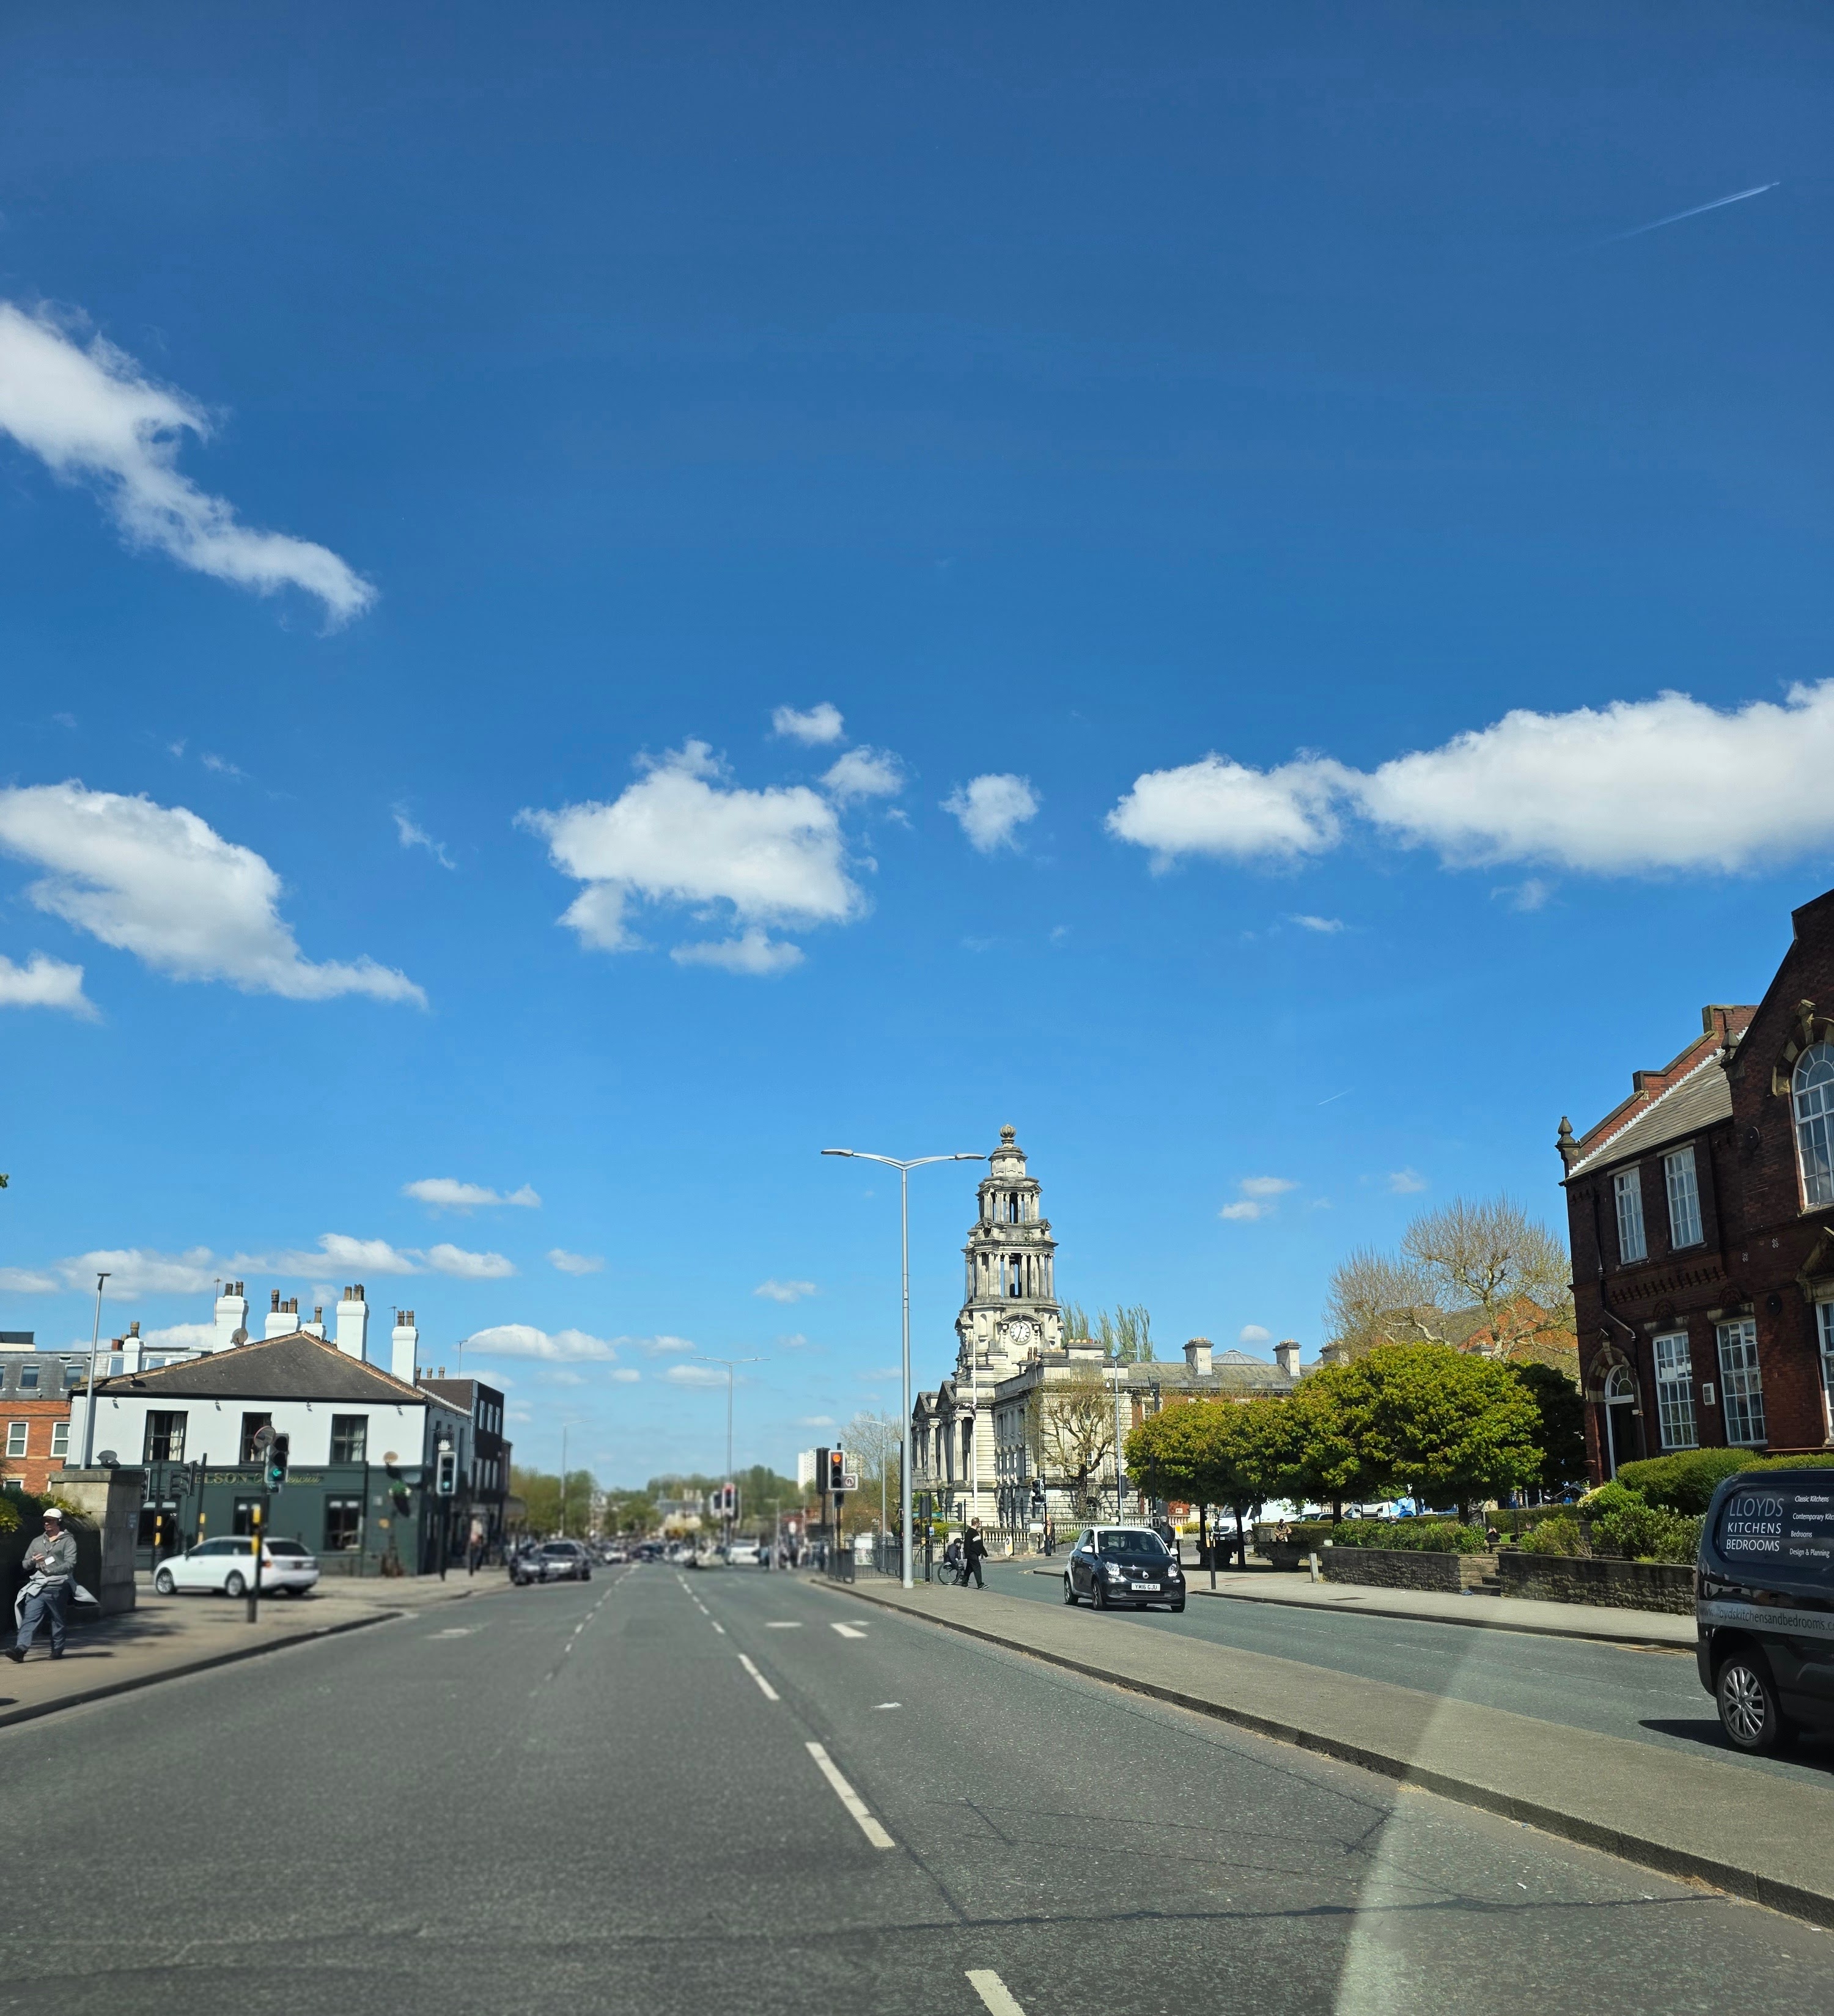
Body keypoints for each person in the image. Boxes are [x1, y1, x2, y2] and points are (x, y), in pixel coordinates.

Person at [8, 1507, 77, 1663]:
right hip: (38, 1586)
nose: (47, 1524)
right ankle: (20, 1650)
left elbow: (70, 1563)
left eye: (51, 1521)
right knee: (30, 1619)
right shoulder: (37, 1542)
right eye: (45, 1521)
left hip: (58, 1586)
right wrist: (32, 1561)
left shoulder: (68, 1541)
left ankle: (57, 1649)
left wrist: (53, 1571)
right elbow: (25, 1565)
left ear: (59, 1522)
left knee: (57, 1620)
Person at [962, 1521, 988, 1590]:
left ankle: (964, 1582)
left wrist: (985, 1553)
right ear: (976, 1524)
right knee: (977, 1568)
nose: (980, 1524)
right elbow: (967, 1545)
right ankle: (980, 1585)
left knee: (969, 1569)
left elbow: (979, 1544)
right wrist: (967, 1555)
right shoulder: (970, 1532)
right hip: (972, 1554)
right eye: (979, 1523)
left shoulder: (974, 1532)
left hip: (974, 1554)